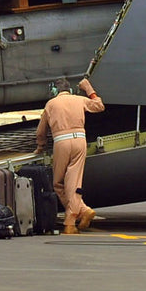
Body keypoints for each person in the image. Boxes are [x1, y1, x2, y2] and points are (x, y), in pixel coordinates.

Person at [35, 77, 105, 234]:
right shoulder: (79, 99)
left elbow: (41, 131)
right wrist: (89, 89)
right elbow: (99, 106)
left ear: (54, 92)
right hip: (80, 140)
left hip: (61, 142)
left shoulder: (50, 104)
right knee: (74, 183)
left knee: (58, 183)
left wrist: (40, 146)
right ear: (70, 90)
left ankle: (72, 220)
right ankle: (81, 211)